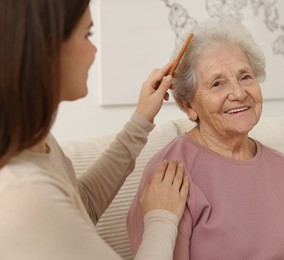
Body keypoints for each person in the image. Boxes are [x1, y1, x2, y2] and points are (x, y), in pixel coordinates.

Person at [0, 0, 189, 259]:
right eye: (87, 34)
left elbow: (82, 208)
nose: (94, 50)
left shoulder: (35, 140)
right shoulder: (23, 195)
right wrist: (161, 217)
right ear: (47, 48)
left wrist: (141, 119)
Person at [127, 18, 284, 259]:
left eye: (246, 77)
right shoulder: (169, 176)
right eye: (217, 83)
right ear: (189, 106)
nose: (239, 93)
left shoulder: (283, 168)